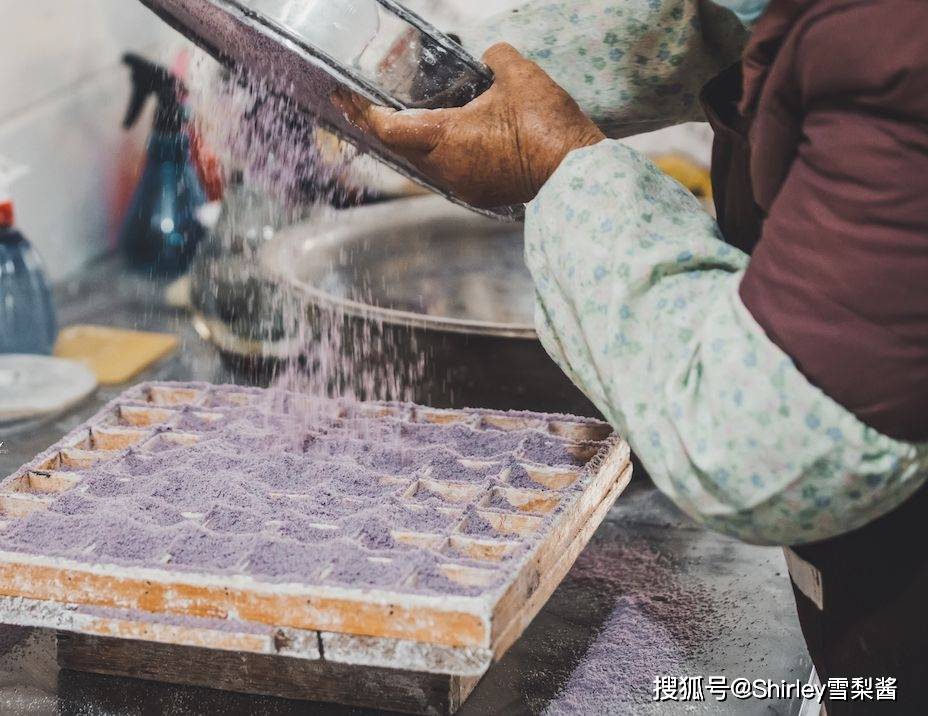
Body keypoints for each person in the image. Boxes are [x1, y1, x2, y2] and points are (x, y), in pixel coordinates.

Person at [336, 0, 927, 712]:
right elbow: (726, 30)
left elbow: (775, 436)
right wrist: (456, 72)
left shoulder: (898, 47)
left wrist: (552, 164)